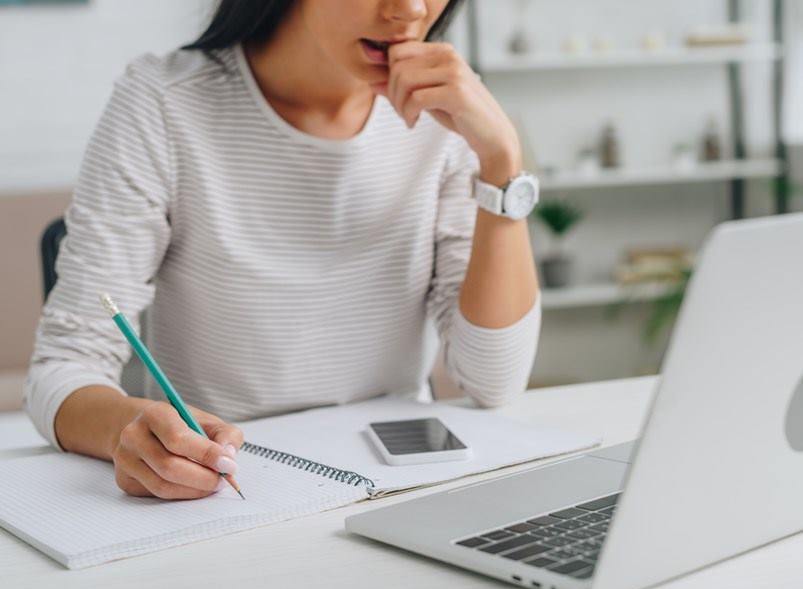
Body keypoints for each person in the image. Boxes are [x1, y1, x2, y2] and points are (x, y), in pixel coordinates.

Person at [24, 0, 541, 501]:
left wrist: (501, 161)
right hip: (224, 490)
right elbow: (64, 366)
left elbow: (493, 380)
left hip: (395, 485)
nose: (409, 9)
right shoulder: (163, 102)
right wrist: (128, 430)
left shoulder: (444, 114)